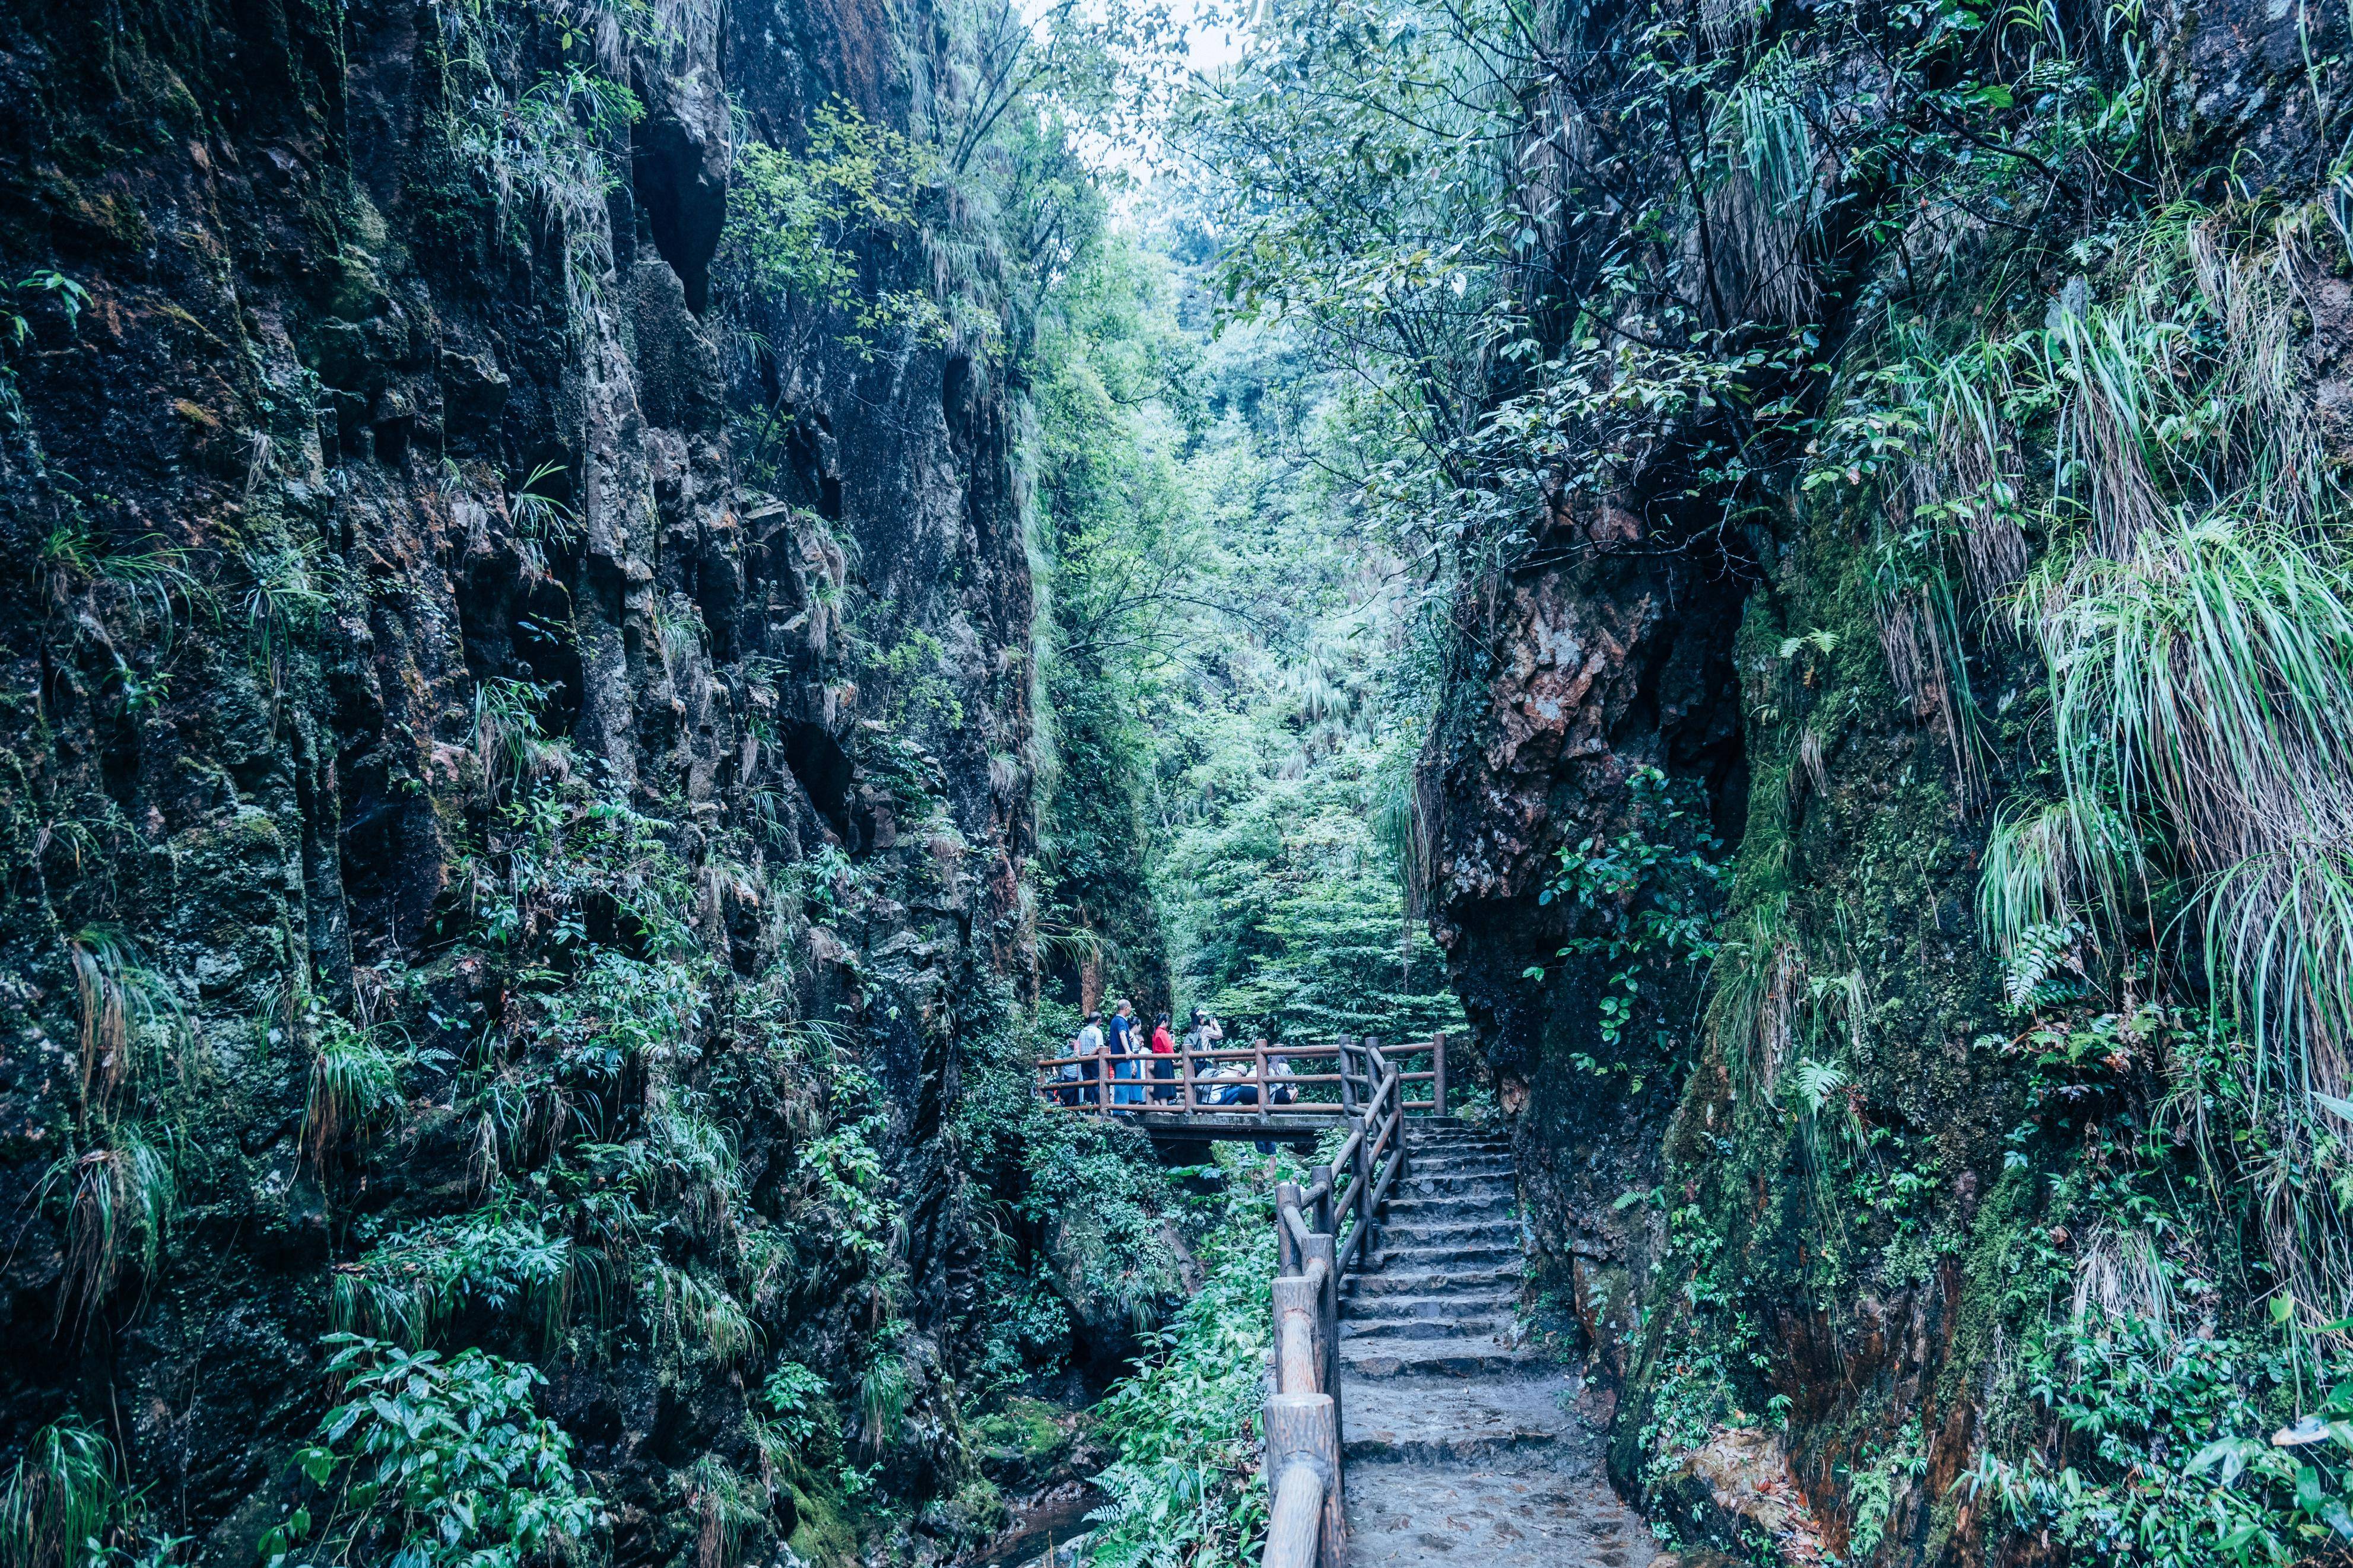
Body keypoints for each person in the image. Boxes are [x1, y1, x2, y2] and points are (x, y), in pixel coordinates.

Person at [1104, 1001, 1144, 1111]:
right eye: (1130, 1008)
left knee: (1120, 1084)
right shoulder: (1121, 1021)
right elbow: (1122, 1034)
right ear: (1126, 1008)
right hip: (1123, 1058)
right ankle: (1121, 1111)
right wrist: (1128, 1051)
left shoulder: (1114, 1021)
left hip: (1118, 1058)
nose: (1130, 1010)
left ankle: (1119, 1109)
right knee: (1123, 1085)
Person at [1075, 1012, 1105, 1109]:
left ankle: (1089, 1110)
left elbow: (1077, 1045)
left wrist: (1080, 1057)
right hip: (1094, 1060)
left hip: (1084, 1060)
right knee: (1097, 1083)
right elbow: (1098, 1047)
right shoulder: (1097, 1031)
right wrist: (1090, 1057)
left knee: (1087, 1085)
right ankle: (1100, 1108)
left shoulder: (1083, 1031)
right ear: (1099, 1020)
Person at [1149, 1012, 1176, 1102]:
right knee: (1165, 1087)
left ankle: (1161, 1110)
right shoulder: (1162, 1032)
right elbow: (1168, 1047)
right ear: (1164, 1022)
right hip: (1164, 1061)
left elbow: (1154, 1049)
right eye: (1167, 1023)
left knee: (1160, 1087)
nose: (1168, 1025)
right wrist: (1173, 1057)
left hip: (1158, 1061)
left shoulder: (1155, 1033)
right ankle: (1165, 1110)